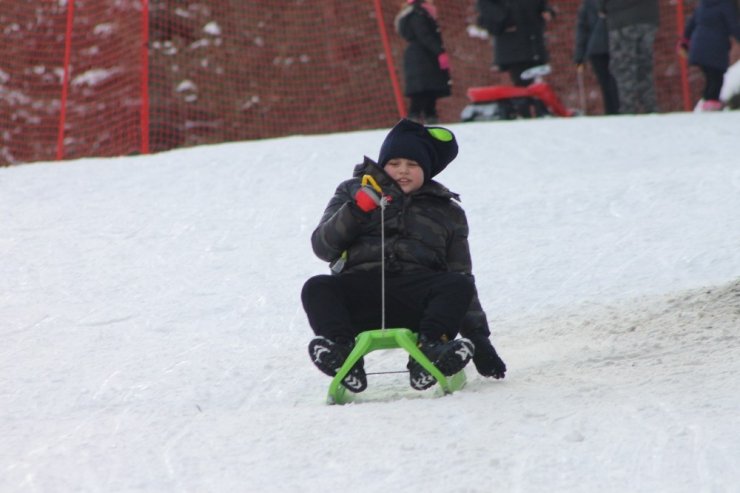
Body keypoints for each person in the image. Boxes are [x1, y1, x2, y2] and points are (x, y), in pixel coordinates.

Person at [302, 119, 507, 393]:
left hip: (418, 301)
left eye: (413, 165)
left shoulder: (448, 212)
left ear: (427, 170)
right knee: (317, 287)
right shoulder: (352, 191)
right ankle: (342, 353)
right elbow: (322, 247)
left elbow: (461, 270)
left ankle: (431, 350)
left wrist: (479, 339)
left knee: (458, 285)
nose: (402, 171)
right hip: (360, 293)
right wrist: (357, 210)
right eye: (395, 163)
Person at [597, 0, 660, 114]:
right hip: (648, 17)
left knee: (624, 67)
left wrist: (601, 8)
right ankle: (650, 107)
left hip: (621, 19)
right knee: (644, 66)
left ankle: (628, 109)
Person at [394, 0, 451, 124]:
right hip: (422, 58)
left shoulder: (417, 12)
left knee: (428, 91)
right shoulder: (418, 14)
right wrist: (439, 51)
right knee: (421, 92)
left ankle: (429, 119)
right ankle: (414, 121)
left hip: (422, 57)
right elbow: (424, 35)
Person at [476, 0, 556, 87]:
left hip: (534, 46)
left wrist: (547, 11)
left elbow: (540, 4)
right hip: (513, 48)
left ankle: (528, 98)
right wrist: (504, 18)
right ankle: (523, 98)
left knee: (535, 86)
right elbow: (486, 6)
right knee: (522, 84)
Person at [678, 0, 740, 111]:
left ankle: (708, 101)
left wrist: (684, 41)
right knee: (716, 77)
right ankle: (711, 104)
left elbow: (691, 23)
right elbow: (734, 25)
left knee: (710, 76)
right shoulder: (726, 5)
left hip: (698, 47)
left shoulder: (704, 4)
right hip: (715, 47)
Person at [574, 0, 620, 115]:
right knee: (615, 81)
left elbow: (582, 29)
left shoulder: (588, 4)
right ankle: (617, 110)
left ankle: (611, 111)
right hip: (614, 45)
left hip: (596, 48)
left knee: (606, 83)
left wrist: (579, 55)